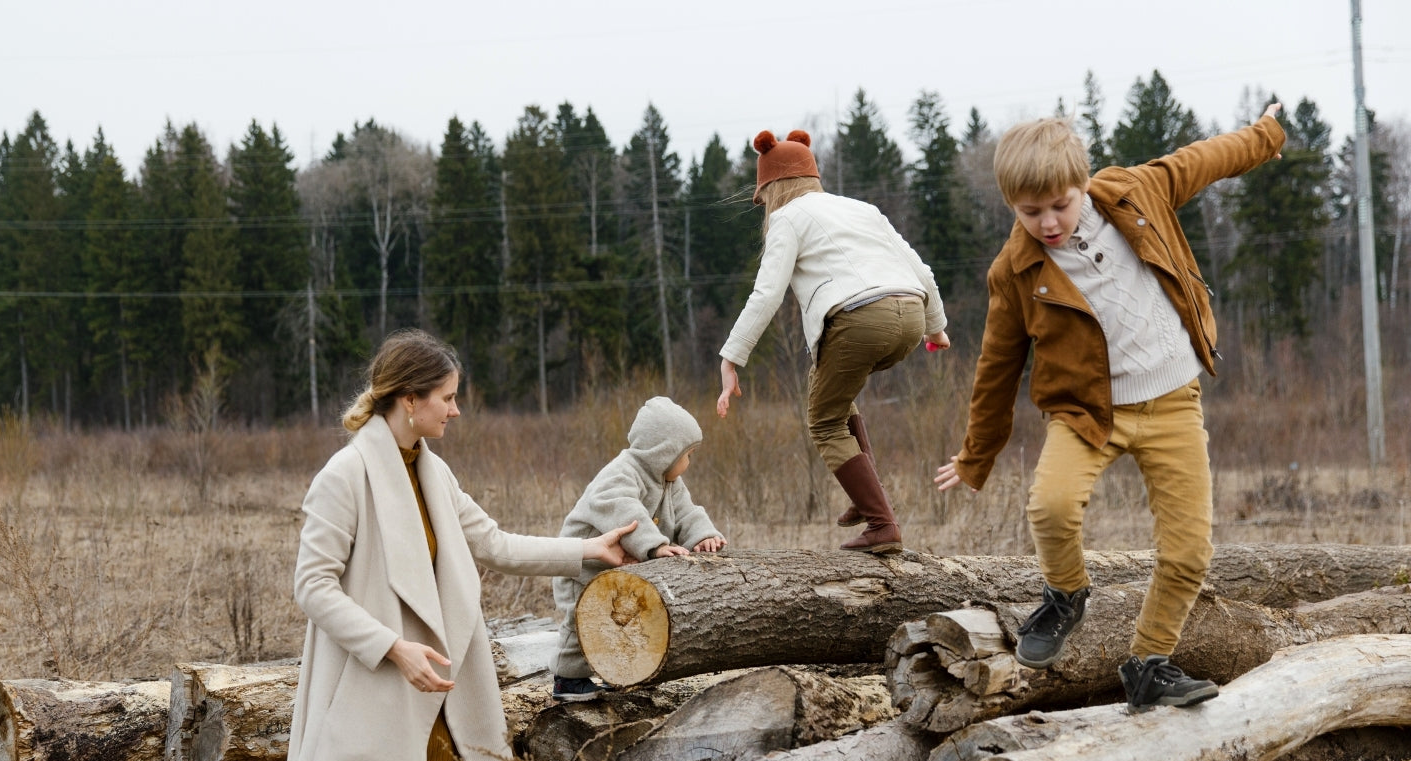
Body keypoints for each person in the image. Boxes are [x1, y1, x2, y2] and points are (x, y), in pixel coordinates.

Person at [260, 329, 640, 761]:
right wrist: (391, 646)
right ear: (408, 400)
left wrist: (588, 551)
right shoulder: (344, 476)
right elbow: (312, 587)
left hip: (427, 691)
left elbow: (492, 542)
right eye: (447, 397)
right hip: (366, 688)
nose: (456, 410)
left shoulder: (431, 471)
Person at [935, 107, 1285, 712]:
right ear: (1011, 205)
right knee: (1050, 506)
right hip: (1088, 413)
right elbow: (996, 368)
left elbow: (1206, 159)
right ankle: (1066, 594)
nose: (1048, 222)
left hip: (1174, 403)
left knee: (1188, 552)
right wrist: (975, 455)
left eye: (1060, 205)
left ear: (1083, 183)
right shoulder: (1014, 271)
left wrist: (1265, 136)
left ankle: (1149, 664)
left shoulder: (1134, 192)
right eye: (1030, 212)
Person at [716, 128, 950, 554]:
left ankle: (882, 523)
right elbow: (922, 270)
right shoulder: (863, 210)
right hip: (910, 316)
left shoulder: (787, 218)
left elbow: (766, 295)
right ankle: (866, 496)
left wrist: (731, 359)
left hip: (860, 320)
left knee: (824, 421)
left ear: (771, 188)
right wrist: (936, 327)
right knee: (833, 395)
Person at [550, 396, 727, 701]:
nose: (689, 462)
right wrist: (654, 546)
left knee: (626, 621)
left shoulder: (670, 482)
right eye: (687, 455)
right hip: (584, 566)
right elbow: (623, 509)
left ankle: (621, 672)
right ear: (663, 452)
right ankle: (567, 678)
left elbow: (687, 512)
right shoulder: (621, 473)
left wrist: (702, 536)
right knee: (584, 618)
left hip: (621, 570)